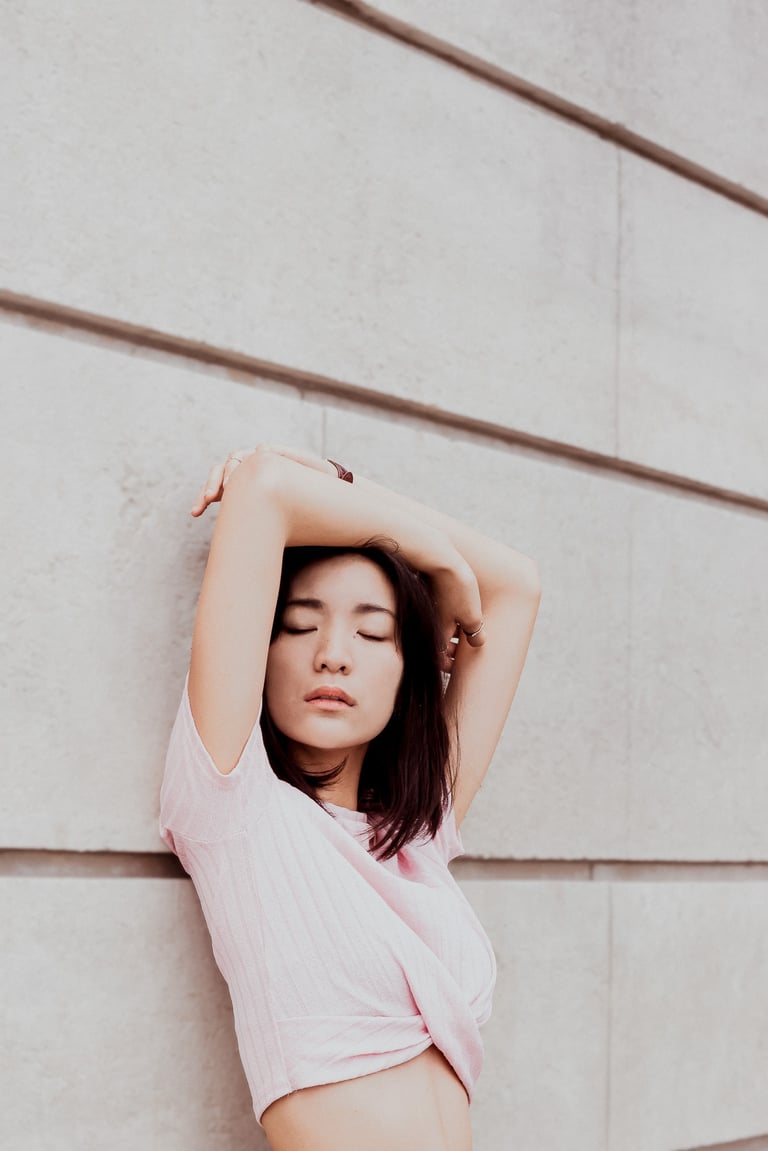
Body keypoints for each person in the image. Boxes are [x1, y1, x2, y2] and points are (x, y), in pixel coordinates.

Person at [158, 442, 541, 1151]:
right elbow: (264, 489)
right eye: (300, 625)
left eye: (373, 631)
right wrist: (432, 551)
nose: (333, 652)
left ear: (408, 673)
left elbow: (515, 586)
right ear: (259, 652)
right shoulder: (234, 807)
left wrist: (345, 488)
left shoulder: (418, 832)